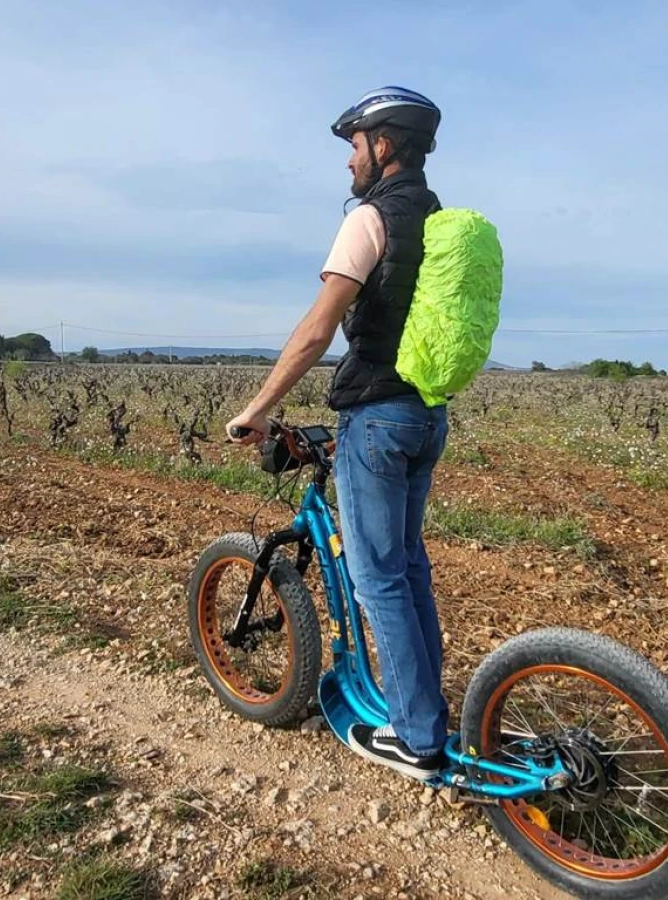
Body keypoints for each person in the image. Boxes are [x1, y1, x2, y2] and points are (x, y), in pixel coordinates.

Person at [226, 87, 449, 780]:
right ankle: (426, 708)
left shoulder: (370, 218)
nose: (349, 161)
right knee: (408, 567)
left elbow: (316, 331)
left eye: (354, 146)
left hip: (378, 418)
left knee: (377, 577)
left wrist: (258, 408)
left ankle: (417, 737)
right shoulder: (438, 220)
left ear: (383, 145)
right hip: (426, 414)